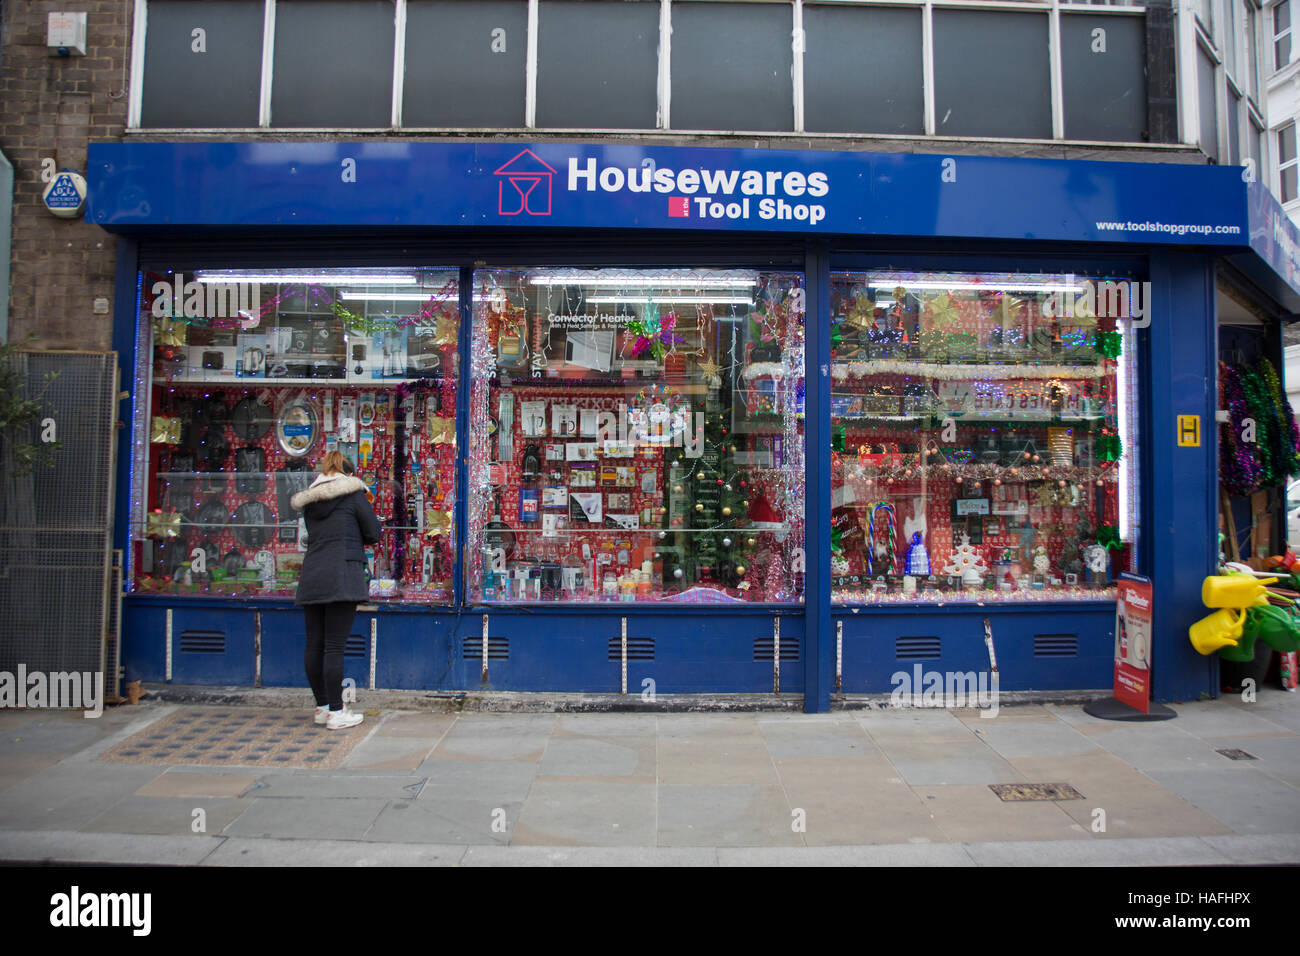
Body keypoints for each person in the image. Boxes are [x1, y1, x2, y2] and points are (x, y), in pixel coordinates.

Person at [290, 450, 380, 729]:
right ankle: (337, 713)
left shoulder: (311, 503)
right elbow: (374, 533)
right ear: (348, 474)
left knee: (314, 644)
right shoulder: (353, 495)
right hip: (342, 573)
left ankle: (322, 707)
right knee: (334, 647)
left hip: (314, 573)